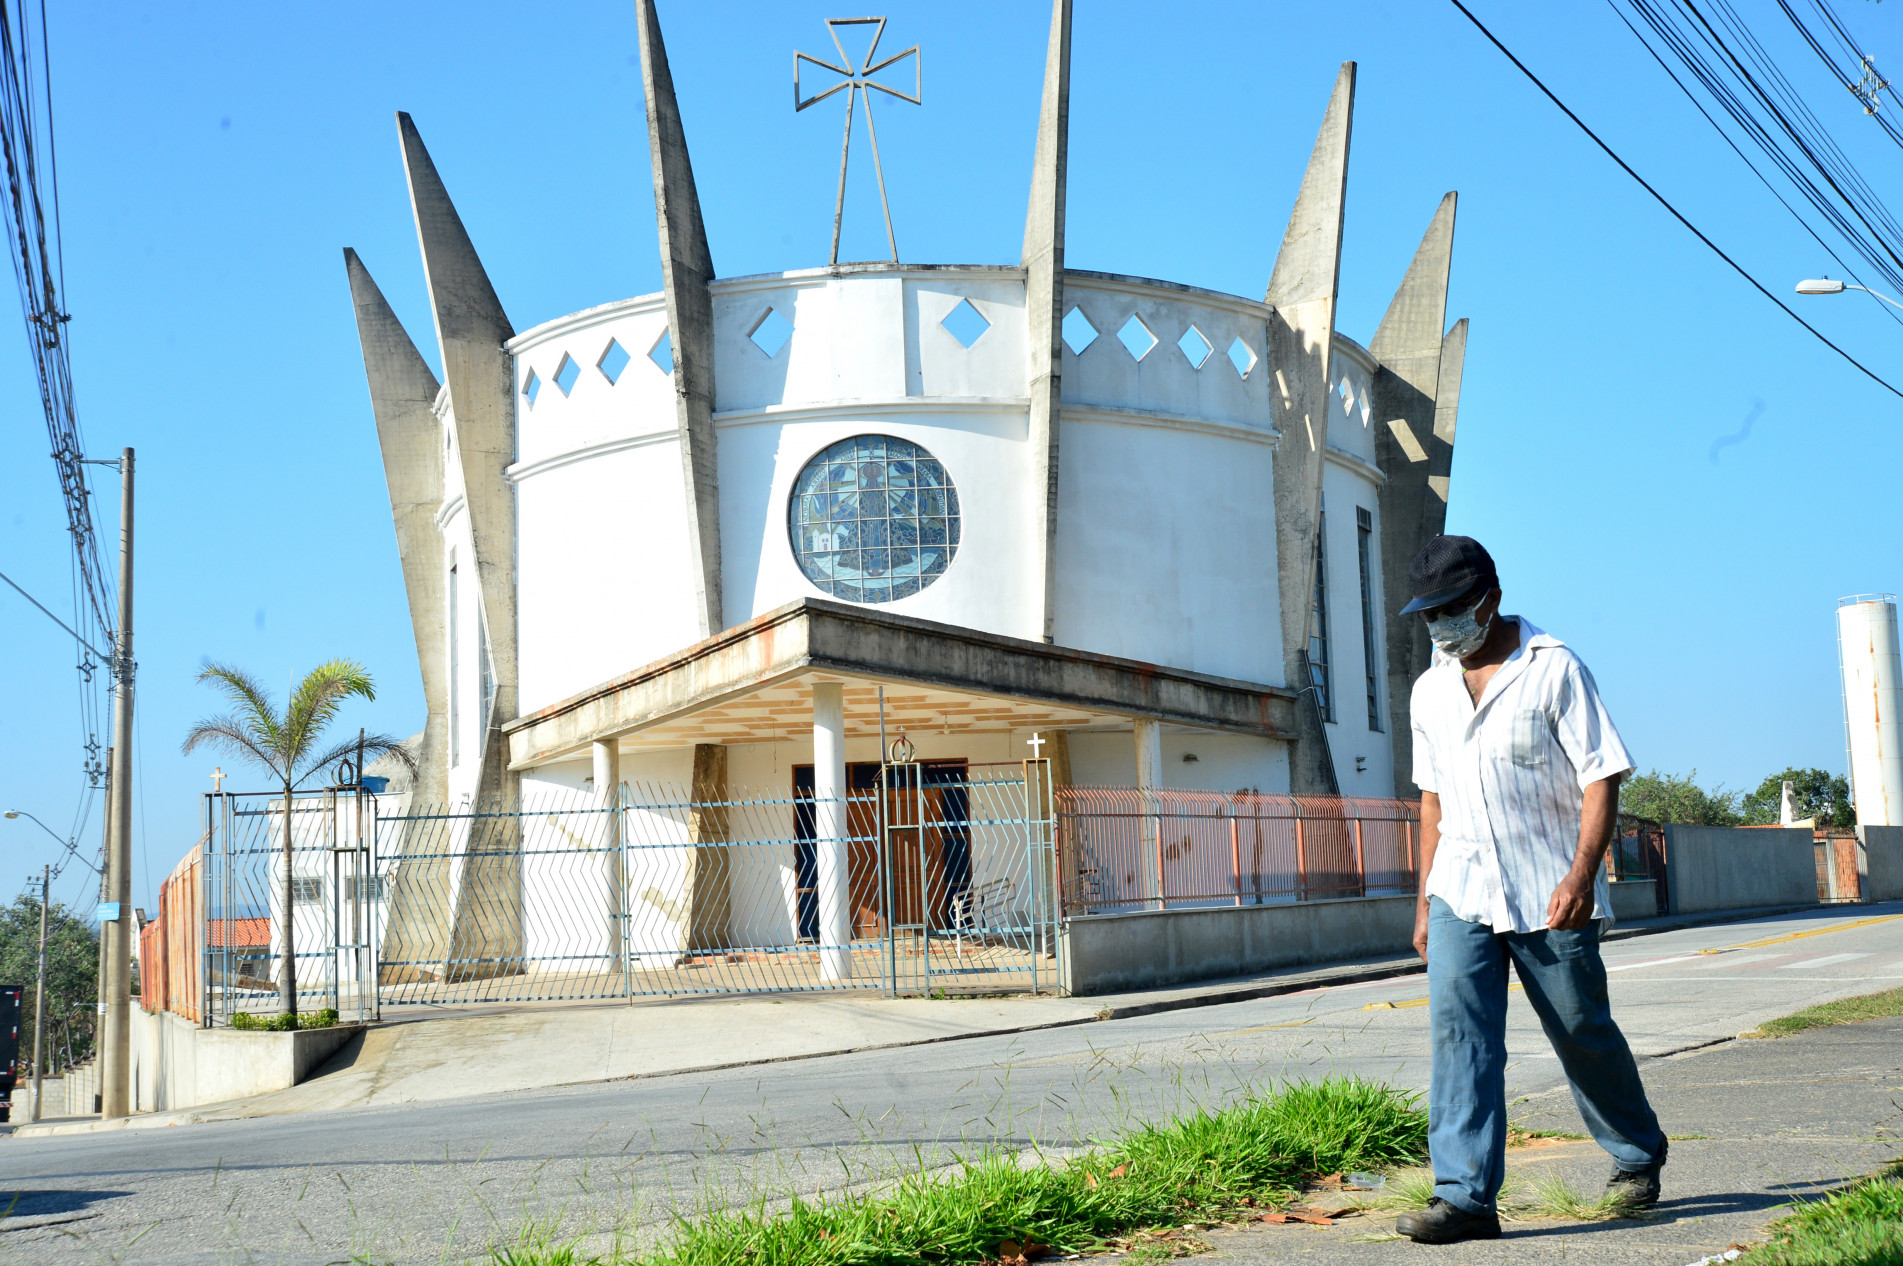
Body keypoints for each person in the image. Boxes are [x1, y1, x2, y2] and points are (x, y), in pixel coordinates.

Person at [1392, 535, 1668, 1245]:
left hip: (1550, 891)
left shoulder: (1554, 669)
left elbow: (1600, 774)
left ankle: (1636, 1155)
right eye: (1430, 613)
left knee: (1579, 1030)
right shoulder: (1429, 690)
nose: (1443, 624)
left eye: (1454, 608)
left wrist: (1581, 874)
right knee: (1460, 1039)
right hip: (1460, 888)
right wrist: (1423, 899)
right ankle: (1463, 1198)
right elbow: (1431, 802)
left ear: (1491, 598)